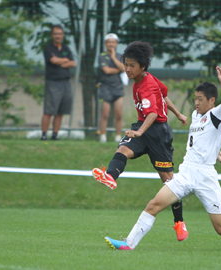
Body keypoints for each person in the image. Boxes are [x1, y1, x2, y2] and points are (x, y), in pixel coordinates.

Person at [104, 64, 221, 251]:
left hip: (205, 176)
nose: (196, 103)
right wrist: (217, 151)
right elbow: (201, 139)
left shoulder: (217, 114)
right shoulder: (196, 115)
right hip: (186, 172)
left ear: (212, 100)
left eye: (200, 99)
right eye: (195, 99)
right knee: (154, 205)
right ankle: (128, 244)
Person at [92, 41, 190, 241]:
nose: (127, 69)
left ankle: (179, 223)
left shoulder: (145, 85)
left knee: (169, 183)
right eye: (126, 64)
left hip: (158, 134)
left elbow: (153, 113)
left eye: (132, 65)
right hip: (142, 126)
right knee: (122, 151)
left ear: (143, 67)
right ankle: (110, 176)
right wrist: (178, 113)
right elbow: (164, 96)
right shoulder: (145, 78)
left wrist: (141, 131)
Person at [40, 25, 75, 141]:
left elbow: (73, 63)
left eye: (60, 33)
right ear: (52, 35)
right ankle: (44, 135)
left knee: (61, 111)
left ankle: (55, 135)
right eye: (55, 34)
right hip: (53, 82)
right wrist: (65, 61)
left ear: (63, 35)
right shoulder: (48, 48)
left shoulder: (66, 49)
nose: (57, 36)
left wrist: (60, 62)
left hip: (65, 82)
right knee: (49, 110)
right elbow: (52, 60)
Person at [97, 33, 125, 143]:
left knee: (118, 114)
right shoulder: (101, 56)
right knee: (105, 114)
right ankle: (103, 136)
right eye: (109, 42)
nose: (111, 44)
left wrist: (113, 57)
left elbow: (124, 68)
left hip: (117, 88)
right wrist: (119, 69)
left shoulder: (119, 56)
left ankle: (118, 137)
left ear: (116, 43)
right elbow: (106, 70)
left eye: (113, 42)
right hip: (105, 88)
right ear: (105, 44)